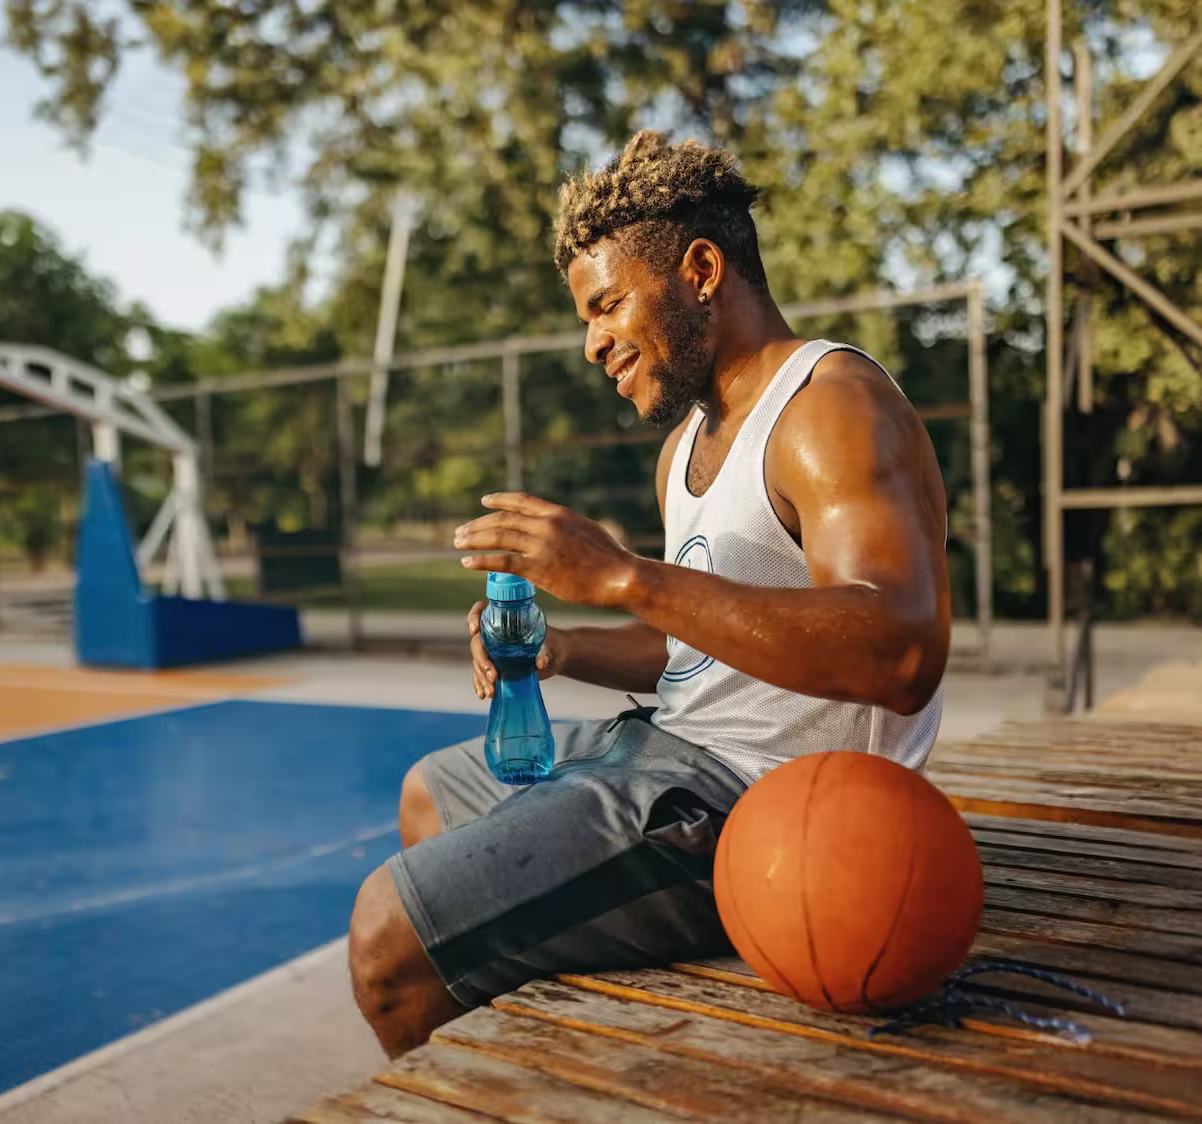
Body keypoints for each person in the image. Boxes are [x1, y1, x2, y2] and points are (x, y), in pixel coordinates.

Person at [347, 130, 952, 1057]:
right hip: (665, 751)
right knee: (431, 791)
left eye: (608, 305)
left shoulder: (829, 404)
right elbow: (704, 644)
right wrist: (567, 650)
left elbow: (901, 651)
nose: (593, 343)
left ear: (702, 269)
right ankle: (515, 1076)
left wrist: (625, 576)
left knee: (387, 936)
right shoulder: (686, 445)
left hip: (762, 813)